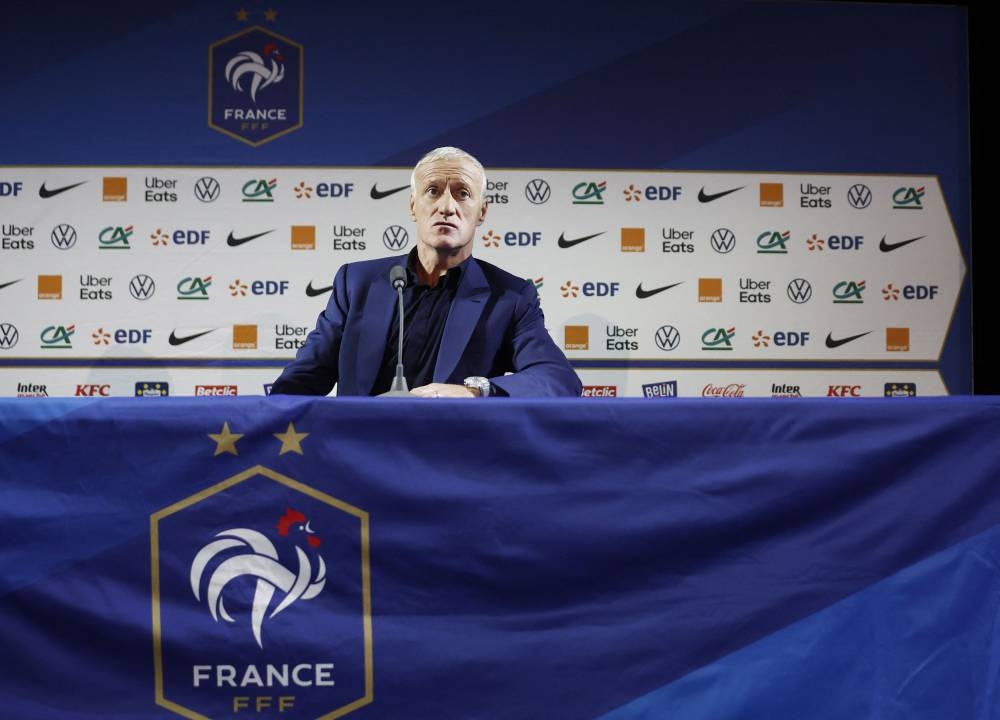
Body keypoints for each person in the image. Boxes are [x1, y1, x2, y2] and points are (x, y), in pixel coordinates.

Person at [270, 146, 581, 398]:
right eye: (433, 191)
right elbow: (303, 380)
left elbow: (557, 379)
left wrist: (474, 391)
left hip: (450, 460)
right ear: (412, 206)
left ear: (482, 212)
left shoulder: (509, 297)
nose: (446, 206)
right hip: (359, 455)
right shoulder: (357, 283)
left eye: (462, 193)